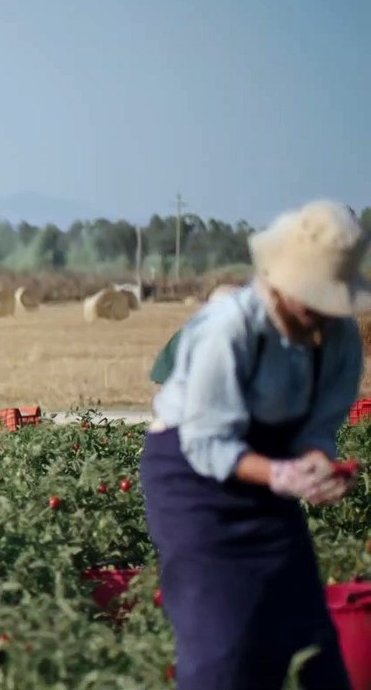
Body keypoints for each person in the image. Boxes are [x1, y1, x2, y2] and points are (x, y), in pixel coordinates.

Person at [140, 199, 368, 689]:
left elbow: (317, 428)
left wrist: (315, 464)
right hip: (191, 483)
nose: (320, 314)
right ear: (282, 283)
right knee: (223, 646)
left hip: (267, 483)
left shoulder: (341, 339)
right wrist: (281, 475)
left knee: (307, 637)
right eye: (311, 298)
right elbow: (207, 442)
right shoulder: (231, 329)